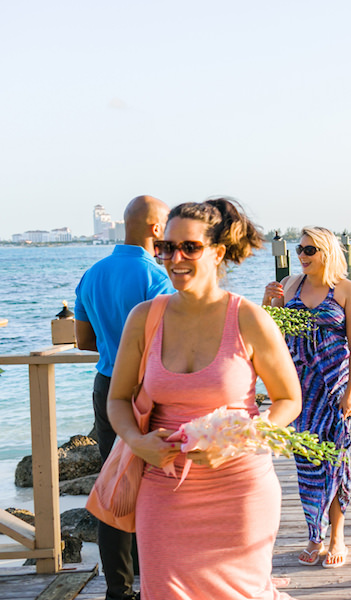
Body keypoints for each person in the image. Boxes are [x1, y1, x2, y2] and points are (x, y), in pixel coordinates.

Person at [107, 198, 302, 600]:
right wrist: (137, 441)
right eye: (165, 247)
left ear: (217, 252)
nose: (174, 258)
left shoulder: (248, 317)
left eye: (189, 247)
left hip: (239, 489)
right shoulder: (145, 318)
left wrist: (238, 440)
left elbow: (288, 400)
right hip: (165, 489)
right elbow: (117, 400)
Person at [74, 195, 174, 600]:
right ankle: (153, 581)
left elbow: (84, 341)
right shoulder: (157, 279)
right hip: (149, 392)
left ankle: (118, 589)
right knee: (154, 486)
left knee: (115, 482)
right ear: (155, 229)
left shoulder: (93, 273)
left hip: (106, 386)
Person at [262, 226, 351, 568]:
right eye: (299, 250)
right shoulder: (291, 285)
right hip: (298, 390)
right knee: (306, 462)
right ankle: (313, 534)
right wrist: (266, 301)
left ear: (326, 252)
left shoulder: (347, 290)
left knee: (335, 461)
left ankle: (337, 534)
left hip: (334, 391)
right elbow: (270, 333)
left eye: (309, 250)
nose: (302, 256)